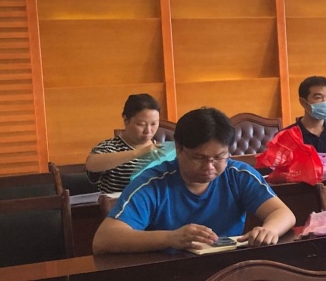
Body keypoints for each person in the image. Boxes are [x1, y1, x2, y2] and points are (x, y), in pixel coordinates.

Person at [92, 107, 295, 254]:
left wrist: (269, 230)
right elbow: (104, 239)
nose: (209, 167)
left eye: (219, 157)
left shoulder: (237, 174)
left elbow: (283, 213)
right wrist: (170, 238)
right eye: (199, 158)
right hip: (170, 272)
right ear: (179, 148)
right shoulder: (153, 183)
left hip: (227, 269)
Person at [85, 93, 165, 195]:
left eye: (154, 124)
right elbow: (91, 164)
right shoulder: (109, 147)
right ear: (126, 120)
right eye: (141, 124)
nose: (148, 131)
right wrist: (139, 152)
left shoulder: (163, 149)